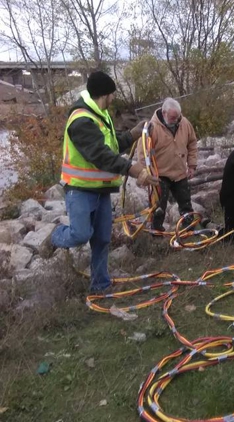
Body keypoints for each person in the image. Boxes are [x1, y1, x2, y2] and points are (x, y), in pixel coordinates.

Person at [51, 71, 160, 293]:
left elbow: (110, 145)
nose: (113, 99)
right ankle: (56, 235)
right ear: (105, 94)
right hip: (80, 189)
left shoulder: (100, 114)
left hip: (101, 190)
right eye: (112, 94)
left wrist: (133, 134)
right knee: (80, 234)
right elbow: (100, 155)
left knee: (101, 239)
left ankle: (100, 285)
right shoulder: (81, 120)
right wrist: (133, 169)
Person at [137, 98, 198, 231]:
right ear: (164, 113)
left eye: (177, 117)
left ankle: (189, 230)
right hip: (160, 175)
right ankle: (157, 234)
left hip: (180, 173)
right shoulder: (151, 128)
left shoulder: (185, 123)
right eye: (172, 117)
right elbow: (143, 154)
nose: (175, 120)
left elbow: (192, 143)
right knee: (158, 208)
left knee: (186, 204)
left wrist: (192, 165)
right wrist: (147, 173)